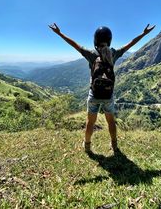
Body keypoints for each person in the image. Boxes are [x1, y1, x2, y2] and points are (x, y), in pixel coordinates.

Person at [48, 23, 155, 153]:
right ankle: (114, 145)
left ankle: (87, 146)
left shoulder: (91, 54)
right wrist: (144, 34)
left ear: (95, 39)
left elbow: (74, 44)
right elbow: (130, 43)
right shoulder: (114, 53)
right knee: (111, 122)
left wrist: (59, 33)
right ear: (109, 39)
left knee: (90, 123)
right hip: (108, 95)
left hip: (93, 94)